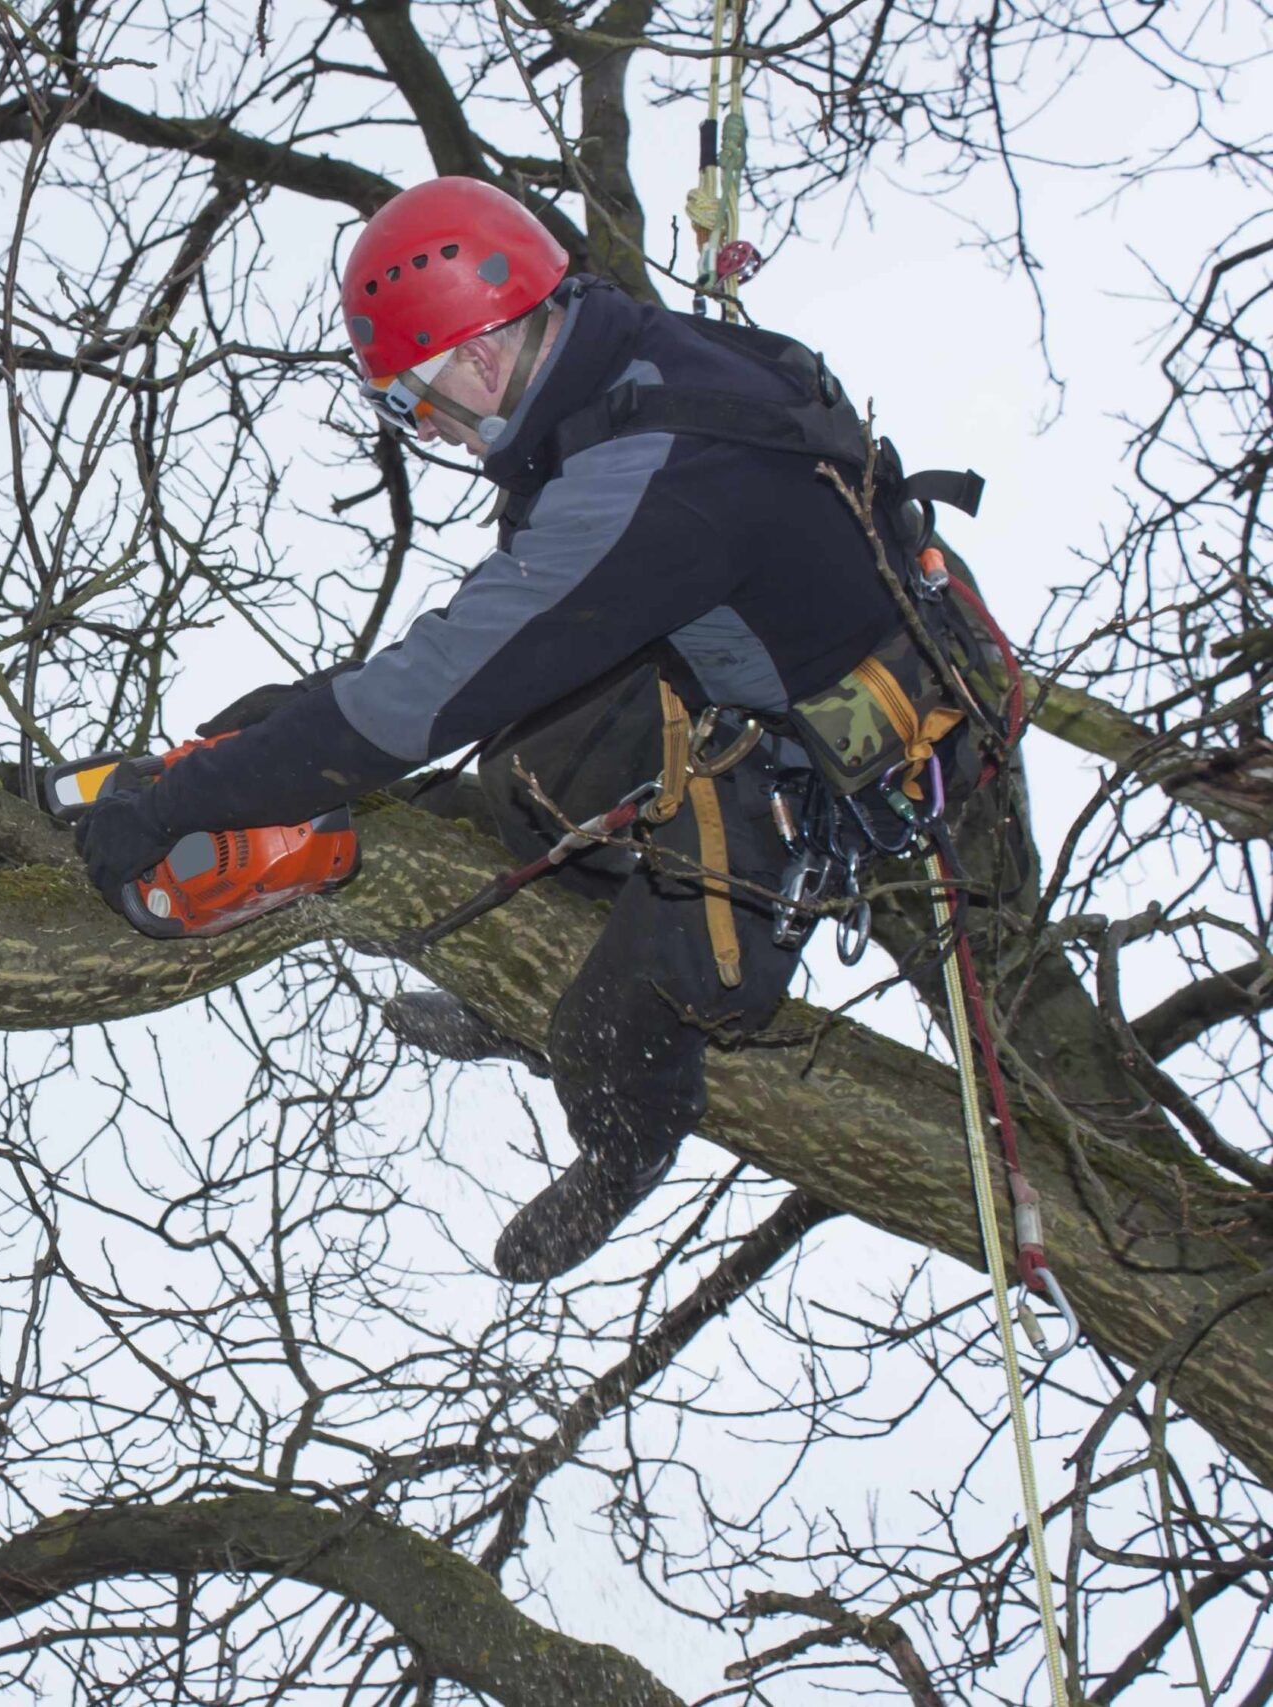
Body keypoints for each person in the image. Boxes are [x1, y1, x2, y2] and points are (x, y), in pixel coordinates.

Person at [76, 177, 977, 1282]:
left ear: (475, 358)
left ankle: (619, 1147)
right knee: (517, 780)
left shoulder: (649, 477)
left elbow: (426, 695)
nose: (435, 435)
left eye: (422, 408)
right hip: (727, 657)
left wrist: (179, 807)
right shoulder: (616, 363)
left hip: (840, 746)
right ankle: (520, 983)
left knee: (622, 1014)